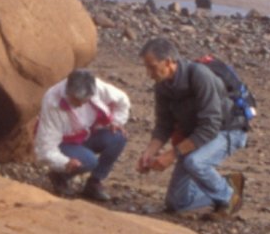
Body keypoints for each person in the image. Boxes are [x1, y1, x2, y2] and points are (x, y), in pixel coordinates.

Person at [134, 37, 248, 217]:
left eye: (152, 67)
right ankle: (224, 184)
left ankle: (229, 197)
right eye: (146, 67)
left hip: (228, 131)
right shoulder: (162, 86)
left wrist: (172, 155)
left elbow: (210, 127)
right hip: (197, 135)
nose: (149, 73)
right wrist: (149, 152)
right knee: (176, 203)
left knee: (194, 162)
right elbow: (164, 125)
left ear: (169, 62)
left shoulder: (199, 75)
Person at [34, 68, 131, 203]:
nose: (80, 104)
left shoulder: (98, 87)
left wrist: (117, 121)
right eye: (76, 100)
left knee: (118, 137)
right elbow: (45, 147)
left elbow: (122, 100)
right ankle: (60, 176)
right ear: (68, 92)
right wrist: (63, 162)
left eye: (85, 100)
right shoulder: (52, 100)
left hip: (87, 134)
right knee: (89, 161)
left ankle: (94, 183)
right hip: (64, 142)